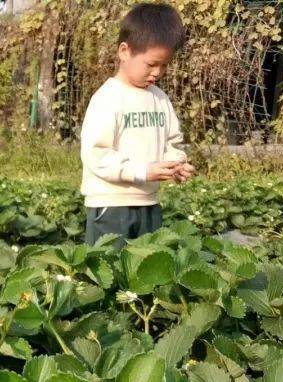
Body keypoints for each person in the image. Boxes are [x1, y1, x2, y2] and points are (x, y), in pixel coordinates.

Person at [80, 2, 196, 246]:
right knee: (108, 269)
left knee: (148, 272)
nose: (158, 72)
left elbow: (172, 142)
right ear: (124, 51)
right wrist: (142, 171)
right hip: (110, 204)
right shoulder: (107, 98)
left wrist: (176, 163)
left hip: (148, 202)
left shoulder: (160, 99)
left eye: (164, 65)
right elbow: (96, 154)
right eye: (151, 64)